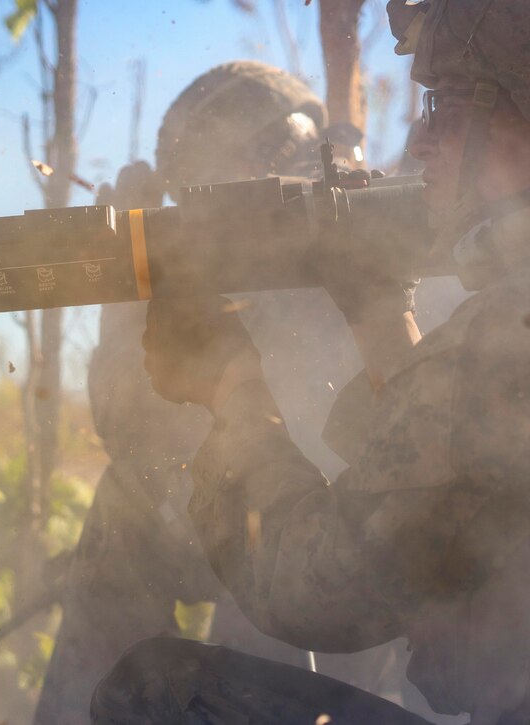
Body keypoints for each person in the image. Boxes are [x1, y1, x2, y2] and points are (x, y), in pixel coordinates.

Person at [93, 0, 530, 723]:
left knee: (154, 687)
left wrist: (232, 389)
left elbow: (309, 586)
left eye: (450, 105)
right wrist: (378, 311)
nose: (424, 135)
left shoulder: (518, 335)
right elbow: (460, 490)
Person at [35, 61, 425, 724]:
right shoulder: (236, 282)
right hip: (307, 566)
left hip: (360, 602)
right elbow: (138, 441)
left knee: (266, 548)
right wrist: (131, 286)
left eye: (276, 157)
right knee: (133, 499)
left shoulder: (380, 254)